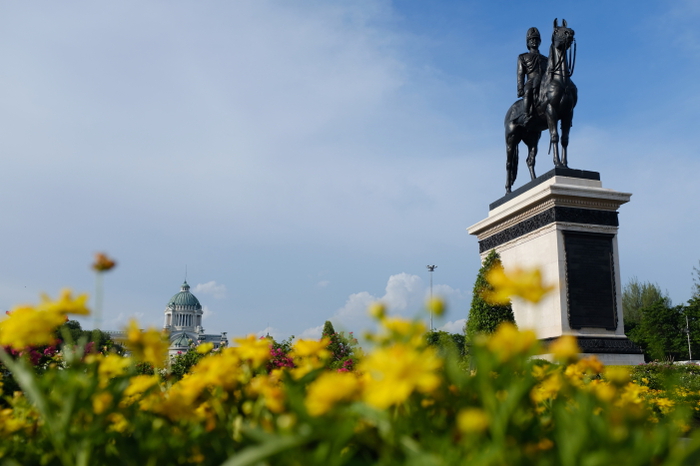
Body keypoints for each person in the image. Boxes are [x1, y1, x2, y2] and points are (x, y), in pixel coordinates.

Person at [517, 27, 547, 126]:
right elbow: (520, 74)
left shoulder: (546, 59)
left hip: (544, 82)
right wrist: (520, 88)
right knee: (528, 90)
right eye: (531, 39)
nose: (534, 41)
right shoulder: (523, 57)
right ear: (528, 42)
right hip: (531, 81)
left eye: (536, 39)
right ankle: (526, 115)